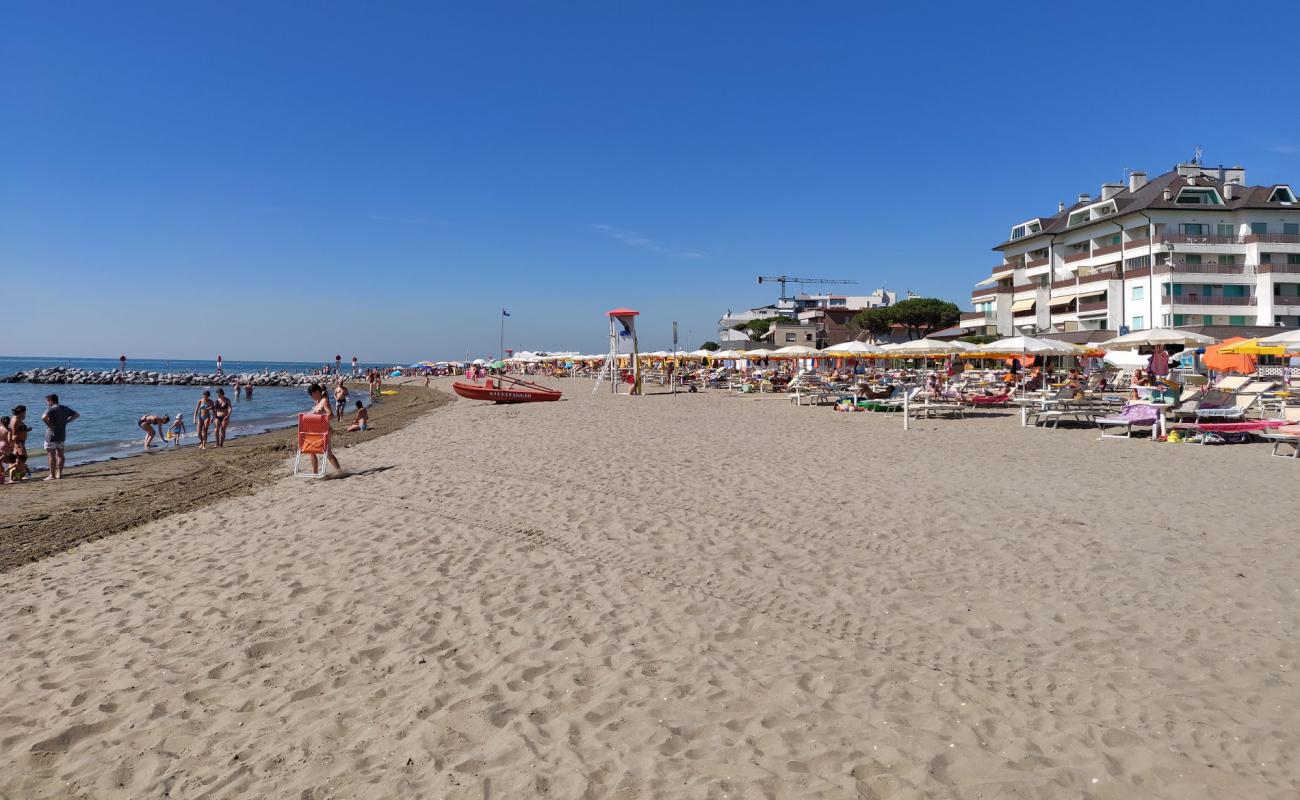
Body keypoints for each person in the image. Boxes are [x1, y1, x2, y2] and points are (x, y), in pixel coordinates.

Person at [306, 383, 343, 476]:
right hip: (318, 430)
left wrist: (319, 416)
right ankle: (315, 474)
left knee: (328, 453)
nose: (311, 396)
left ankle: (340, 472)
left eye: (311, 394)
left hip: (324, 430)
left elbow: (331, 415)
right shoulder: (318, 402)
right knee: (312, 452)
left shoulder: (324, 401)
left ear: (317, 392)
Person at [41, 393, 79, 480]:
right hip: (61, 435)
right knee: (61, 455)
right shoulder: (65, 408)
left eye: (47, 401)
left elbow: (43, 417)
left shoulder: (51, 409)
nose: (47, 403)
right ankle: (59, 474)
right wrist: (68, 421)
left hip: (51, 435)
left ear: (50, 400)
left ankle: (52, 475)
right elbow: (77, 415)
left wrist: (50, 425)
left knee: (51, 455)